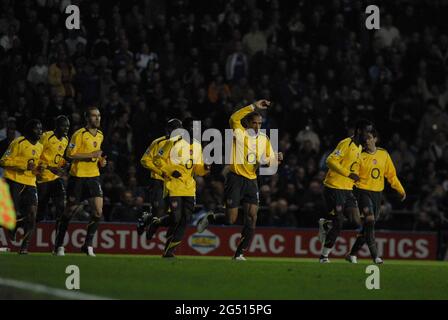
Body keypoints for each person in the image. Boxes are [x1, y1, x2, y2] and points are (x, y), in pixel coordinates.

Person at [197, 100, 282, 260]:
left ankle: (239, 253)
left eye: (259, 123)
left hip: (251, 180)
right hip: (235, 178)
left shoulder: (264, 139)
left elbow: (269, 160)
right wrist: (253, 106)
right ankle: (212, 216)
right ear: (248, 123)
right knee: (231, 219)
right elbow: (233, 118)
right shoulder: (239, 133)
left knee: (252, 216)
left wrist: (276, 158)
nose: (257, 126)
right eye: (254, 123)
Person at [317, 119, 375, 263]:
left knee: (356, 222)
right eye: (367, 132)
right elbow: (330, 161)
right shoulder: (346, 143)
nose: (369, 135)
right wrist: (348, 174)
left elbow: (354, 166)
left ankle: (326, 224)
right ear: (359, 131)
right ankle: (324, 256)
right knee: (339, 222)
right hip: (334, 187)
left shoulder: (359, 147)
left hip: (348, 189)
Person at [346, 129, 406, 264]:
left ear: (375, 139)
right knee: (370, 219)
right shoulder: (360, 155)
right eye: (364, 138)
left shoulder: (383, 154)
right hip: (362, 192)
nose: (366, 141)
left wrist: (400, 190)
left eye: (369, 138)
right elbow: (352, 174)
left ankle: (352, 254)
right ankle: (375, 256)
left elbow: (391, 175)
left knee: (368, 225)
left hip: (377, 194)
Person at [54, 107, 106, 257]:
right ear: (87, 118)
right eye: (94, 116)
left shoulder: (100, 135)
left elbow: (97, 155)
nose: (97, 118)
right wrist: (89, 155)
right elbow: (69, 154)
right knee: (69, 212)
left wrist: (101, 161)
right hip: (78, 178)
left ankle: (88, 245)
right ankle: (59, 245)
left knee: (98, 212)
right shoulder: (79, 134)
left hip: (93, 177)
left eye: (99, 116)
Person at [155, 118, 210, 258]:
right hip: (173, 185)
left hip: (189, 188)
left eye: (196, 128)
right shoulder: (173, 142)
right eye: (191, 127)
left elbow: (197, 169)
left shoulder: (197, 146)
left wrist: (205, 168)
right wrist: (169, 170)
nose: (194, 130)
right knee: (175, 218)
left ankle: (169, 251)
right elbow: (157, 159)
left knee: (185, 219)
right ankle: (156, 223)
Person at [0, 119, 43, 254]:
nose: (40, 131)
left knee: (32, 215)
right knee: (13, 214)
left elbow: (35, 167)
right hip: (13, 181)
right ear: (30, 130)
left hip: (30, 183)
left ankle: (24, 247)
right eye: (37, 129)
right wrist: (23, 165)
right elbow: (3, 161)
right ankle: (13, 225)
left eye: (41, 129)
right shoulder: (18, 142)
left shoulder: (40, 146)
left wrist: (39, 170)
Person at [138, 118, 183, 240]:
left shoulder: (183, 145)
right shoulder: (158, 143)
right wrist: (161, 172)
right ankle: (147, 219)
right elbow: (144, 160)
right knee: (158, 211)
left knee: (175, 214)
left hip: (174, 183)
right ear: (168, 130)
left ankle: (169, 239)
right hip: (158, 180)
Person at [36, 116, 70, 238]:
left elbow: (57, 157)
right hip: (42, 178)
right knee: (39, 215)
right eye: (63, 126)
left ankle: (58, 242)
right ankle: (19, 226)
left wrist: (64, 163)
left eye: (67, 126)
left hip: (55, 178)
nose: (66, 129)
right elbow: (35, 156)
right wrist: (49, 167)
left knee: (61, 207)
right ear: (56, 126)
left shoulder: (65, 139)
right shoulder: (46, 137)